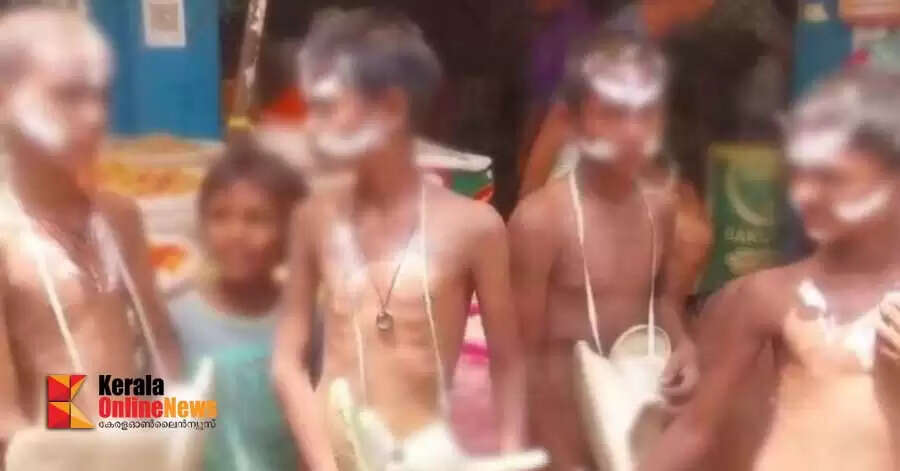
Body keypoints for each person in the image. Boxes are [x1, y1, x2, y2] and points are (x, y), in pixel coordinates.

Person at [271, 9, 526, 471]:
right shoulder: (314, 217)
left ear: (390, 108)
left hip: (421, 458)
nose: (311, 126)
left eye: (327, 108)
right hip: (328, 456)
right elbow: (287, 361)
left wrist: (511, 455)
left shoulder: (475, 227)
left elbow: (507, 363)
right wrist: (324, 463)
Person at [641, 68, 900, 471]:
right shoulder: (771, 294)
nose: (805, 195)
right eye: (799, 175)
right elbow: (694, 430)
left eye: (832, 179)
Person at [509, 34, 699, 471]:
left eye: (646, 114)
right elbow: (521, 357)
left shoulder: (660, 208)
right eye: (612, 114)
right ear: (573, 123)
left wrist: (684, 345)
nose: (632, 132)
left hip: (633, 413)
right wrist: (557, 455)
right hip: (562, 425)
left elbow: (661, 301)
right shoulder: (541, 221)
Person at [0, 7, 180, 446]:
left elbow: (161, 345)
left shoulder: (118, 216)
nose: (96, 116)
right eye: (69, 96)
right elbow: (6, 417)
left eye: (102, 96)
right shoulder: (8, 232)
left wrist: (176, 428)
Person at [168, 139, 318, 471]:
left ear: (290, 233)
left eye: (257, 219)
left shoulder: (305, 320)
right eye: (220, 217)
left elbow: (320, 420)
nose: (236, 233)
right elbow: (150, 415)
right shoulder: (178, 320)